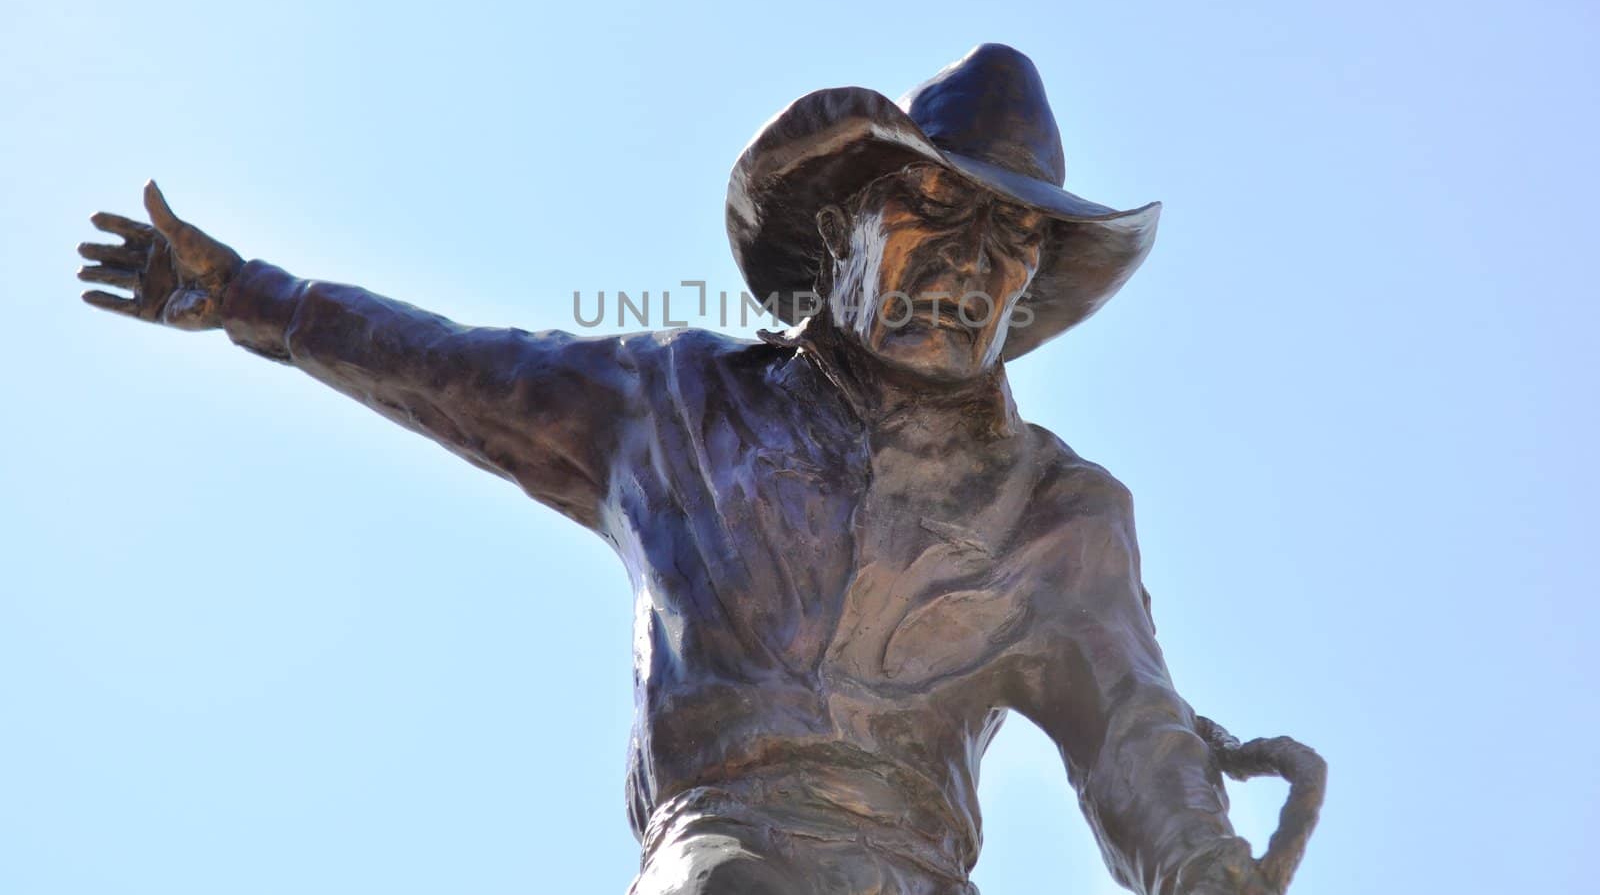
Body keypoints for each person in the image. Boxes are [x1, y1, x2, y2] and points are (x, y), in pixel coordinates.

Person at [80, 45, 1275, 894]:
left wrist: (1205, 866)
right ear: (847, 224)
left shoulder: (1057, 515)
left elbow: (1129, 729)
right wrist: (246, 294)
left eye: (1012, 239)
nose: (972, 261)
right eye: (931, 206)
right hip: (727, 863)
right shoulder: (674, 402)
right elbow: (449, 369)